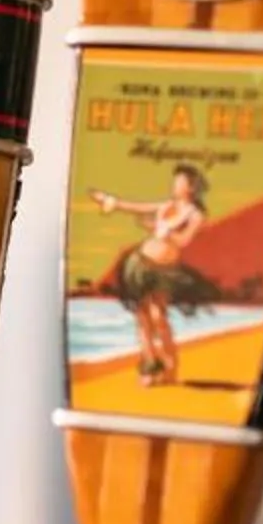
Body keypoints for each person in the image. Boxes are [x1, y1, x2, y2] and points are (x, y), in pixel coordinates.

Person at [90, 165, 217, 385]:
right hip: (140, 263)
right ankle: (149, 365)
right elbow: (137, 207)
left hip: (164, 270)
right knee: (142, 317)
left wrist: (167, 234)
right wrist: (111, 201)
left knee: (159, 317)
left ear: (191, 187)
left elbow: (184, 241)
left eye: (180, 182)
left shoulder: (196, 215)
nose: (175, 185)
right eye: (175, 181)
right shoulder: (167, 205)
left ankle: (170, 365)